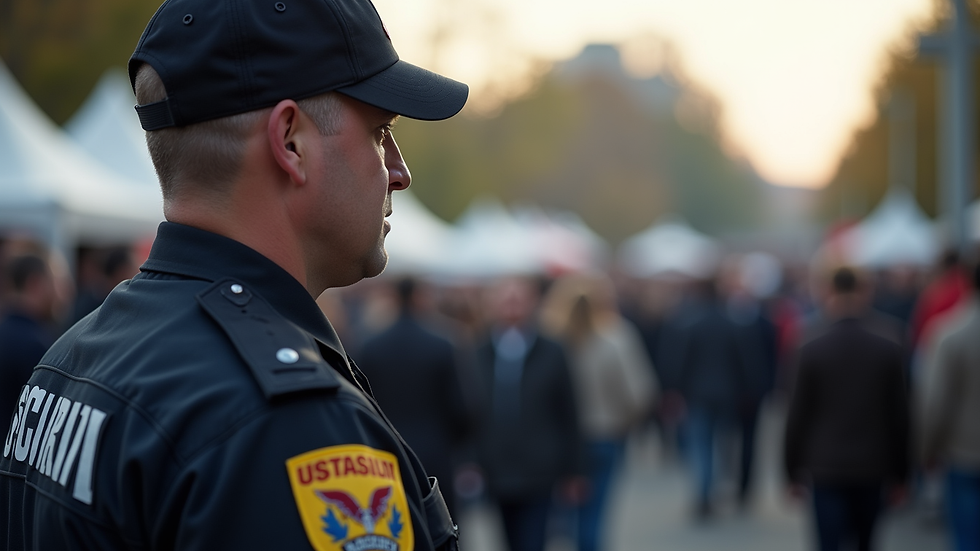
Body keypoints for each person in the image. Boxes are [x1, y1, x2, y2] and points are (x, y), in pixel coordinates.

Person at [0, 0, 468, 548]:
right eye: (379, 131)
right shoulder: (291, 428)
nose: (399, 171)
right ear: (290, 142)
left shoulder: (72, 358)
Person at [784, 267, 910, 551]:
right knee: (866, 542)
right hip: (873, 463)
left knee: (828, 543)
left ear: (829, 293)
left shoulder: (810, 346)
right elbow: (900, 415)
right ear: (864, 292)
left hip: (825, 464)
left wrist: (791, 471)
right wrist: (903, 474)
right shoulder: (888, 344)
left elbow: (797, 413)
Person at [541, 275, 656, 551]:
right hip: (604, 435)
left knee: (557, 517)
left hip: (557, 440)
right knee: (594, 517)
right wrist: (623, 422)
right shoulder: (617, 337)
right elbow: (640, 393)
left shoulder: (550, 340)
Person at [471, 276, 583, 551]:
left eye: (518, 299)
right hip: (496, 467)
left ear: (533, 303)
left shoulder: (552, 350)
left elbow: (569, 411)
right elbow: (470, 412)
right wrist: (470, 460)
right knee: (507, 539)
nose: (512, 306)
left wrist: (575, 469)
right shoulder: (478, 351)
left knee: (533, 540)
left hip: (540, 468)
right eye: (506, 299)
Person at [357, 278, 473, 517]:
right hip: (435, 452)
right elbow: (461, 407)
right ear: (419, 297)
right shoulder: (442, 343)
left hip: (385, 452)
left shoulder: (370, 345)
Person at [918, 263, 980, 551]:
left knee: (967, 538)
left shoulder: (949, 333)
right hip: (962, 453)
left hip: (964, 454)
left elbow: (935, 403)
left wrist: (926, 450)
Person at [0, 254, 58, 420]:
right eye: (53, 283)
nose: (57, 293)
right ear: (35, 283)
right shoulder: (35, 343)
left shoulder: (5, 331)